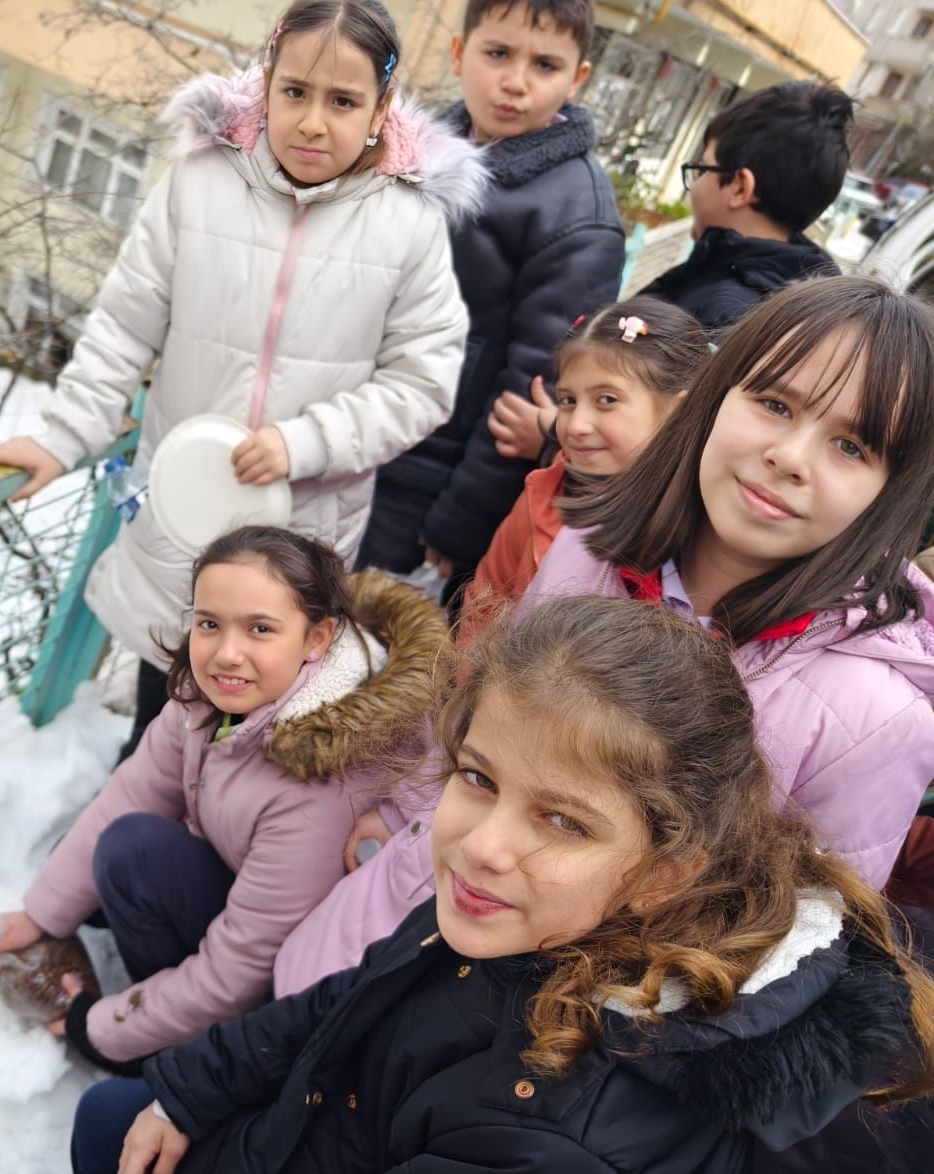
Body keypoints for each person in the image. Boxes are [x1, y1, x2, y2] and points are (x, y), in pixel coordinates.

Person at [71, 596, 934, 1174]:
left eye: (563, 821)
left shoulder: (563, 1152)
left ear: (666, 869)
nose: (483, 844)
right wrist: (191, 1090)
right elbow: (344, 1001)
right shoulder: (512, 910)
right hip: (318, 1137)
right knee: (115, 1117)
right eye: (479, 778)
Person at [276, 274, 934, 996]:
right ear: (714, 396)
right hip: (394, 921)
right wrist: (402, 811)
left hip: (555, 1036)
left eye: (851, 445)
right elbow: (483, 720)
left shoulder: (882, 717)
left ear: (893, 491)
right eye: (775, 404)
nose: (791, 457)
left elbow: (788, 952)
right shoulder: (589, 546)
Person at [0, 0, 480, 758]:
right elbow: (123, 324)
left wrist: (304, 442)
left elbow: (424, 382)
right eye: (296, 93)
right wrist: (61, 436)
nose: (313, 121)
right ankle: (128, 836)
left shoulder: (408, 224)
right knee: (162, 711)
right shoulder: (199, 183)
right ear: (266, 84)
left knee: (258, 735)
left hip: (302, 534)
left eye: (342, 102)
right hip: (183, 520)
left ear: (379, 111)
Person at [0, 527, 444, 1073]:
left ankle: (170, 1047)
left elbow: (241, 966)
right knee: (121, 844)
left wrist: (101, 1028)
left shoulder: (322, 782)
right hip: (237, 873)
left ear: (318, 639)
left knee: (133, 855)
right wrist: (41, 914)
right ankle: (160, 1002)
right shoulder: (210, 699)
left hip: (282, 979)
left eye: (261, 629)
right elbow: (134, 793)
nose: (227, 654)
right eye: (209, 624)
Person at [359, 0, 625, 609]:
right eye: (498, 53)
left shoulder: (577, 214)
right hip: (357, 428)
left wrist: (462, 518)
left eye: (545, 64)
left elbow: (533, 381)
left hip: (426, 479)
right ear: (459, 54)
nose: (515, 81)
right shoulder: (411, 151)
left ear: (576, 79)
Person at [459, 296, 707, 633]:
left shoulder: (699, 537)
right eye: (567, 401)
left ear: (679, 412)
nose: (576, 425)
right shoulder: (546, 492)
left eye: (606, 400)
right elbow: (485, 601)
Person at [642, 81, 850, 329]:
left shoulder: (716, 317)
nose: (695, 185)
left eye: (702, 169)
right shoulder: (801, 307)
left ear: (740, 188)